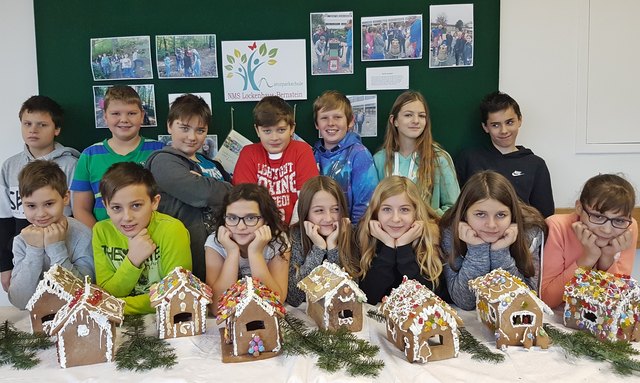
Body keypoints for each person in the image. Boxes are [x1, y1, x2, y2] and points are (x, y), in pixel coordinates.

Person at [146, 94, 232, 282]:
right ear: (169, 126)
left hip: (223, 254)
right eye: (184, 128)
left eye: (200, 130)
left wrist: (211, 185)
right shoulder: (162, 160)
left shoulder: (212, 164)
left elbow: (237, 196)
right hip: (189, 258)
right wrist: (214, 188)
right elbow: (203, 192)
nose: (192, 137)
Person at [0, 95, 80, 292]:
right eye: (27, 123)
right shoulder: (10, 166)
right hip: (24, 255)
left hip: (64, 250)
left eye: (42, 124)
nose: (33, 130)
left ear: (56, 129)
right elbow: (3, 218)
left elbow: (78, 213)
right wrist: (4, 266)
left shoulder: (71, 165)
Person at [93, 162, 192, 315]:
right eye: (116, 208)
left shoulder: (172, 230)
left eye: (136, 206)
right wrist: (133, 259)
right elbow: (107, 290)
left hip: (163, 318)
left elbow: (175, 294)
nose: (127, 217)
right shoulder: (101, 231)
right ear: (105, 206)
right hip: (114, 320)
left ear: (154, 202)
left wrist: (114, 305)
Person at [440, 171, 545, 310]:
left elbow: (523, 302)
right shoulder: (450, 230)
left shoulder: (530, 231)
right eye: (480, 214)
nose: (491, 225)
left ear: (512, 214)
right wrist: (477, 250)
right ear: (465, 214)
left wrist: (500, 252)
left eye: (501, 215)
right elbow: (465, 301)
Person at [71, 85, 163, 228]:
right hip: (106, 244)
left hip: (152, 238)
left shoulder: (160, 151)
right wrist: (101, 238)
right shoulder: (89, 155)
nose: (124, 119)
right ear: (105, 116)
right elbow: (80, 209)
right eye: (115, 114)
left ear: (142, 115)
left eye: (131, 113)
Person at [541, 174, 637, 308]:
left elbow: (617, 302)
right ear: (579, 208)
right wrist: (588, 258)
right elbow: (547, 300)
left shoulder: (628, 227)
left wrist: (607, 258)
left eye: (619, 220)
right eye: (597, 217)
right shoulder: (557, 226)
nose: (607, 230)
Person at [7, 160, 94, 309]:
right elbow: (19, 301)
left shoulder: (83, 235)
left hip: (77, 320)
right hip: (35, 322)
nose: (41, 214)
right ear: (22, 203)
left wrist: (56, 247)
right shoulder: (22, 240)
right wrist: (34, 249)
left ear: (65, 198)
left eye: (49, 204)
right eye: (31, 206)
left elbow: (83, 295)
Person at [455, 91, 555, 217]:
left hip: (520, 232)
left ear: (520, 120)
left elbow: (545, 215)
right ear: (485, 127)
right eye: (495, 125)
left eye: (509, 122)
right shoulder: (468, 159)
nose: (504, 130)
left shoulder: (536, 164)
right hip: (477, 232)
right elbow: (457, 207)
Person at [357, 176, 446, 304]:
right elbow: (368, 296)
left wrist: (403, 247)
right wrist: (388, 247)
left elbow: (430, 299)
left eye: (404, 210)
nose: (396, 219)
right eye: (387, 209)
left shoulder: (430, 240)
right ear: (376, 213)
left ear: (416, 212)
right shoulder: (366, 239)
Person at [233, 96, 318, 225]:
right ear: (257, 130)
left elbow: (306, 197)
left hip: (297, 230)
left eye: (281, 130)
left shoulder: (302, 150)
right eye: (267, 131)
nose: (274, 137)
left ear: (292, 128)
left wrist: (293, 234)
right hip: (258, 231)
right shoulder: (248, 153)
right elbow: (245, 201)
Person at [374, 90, 459, 216]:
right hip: (389, 231)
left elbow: (454, 207)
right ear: (394, 121)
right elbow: (374, 205)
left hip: (428, 232)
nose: (416, 121)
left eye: (422, 116)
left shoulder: (439, 159)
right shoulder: (380, 159)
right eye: (408, 115)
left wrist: (428, 221)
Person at [204, 183, 290, 309]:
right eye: (232, 218)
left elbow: (275, 302)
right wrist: (232, 252)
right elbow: (217, 307)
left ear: (265, 219)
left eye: (250, 218)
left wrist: (255, 253)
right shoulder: (216, 242)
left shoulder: (278, 241)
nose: (240, 227)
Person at [286, 176, 358, 307]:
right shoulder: (295, 236)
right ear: (305, 213)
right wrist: (318, 248)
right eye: (319, 211)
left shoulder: (351, 233)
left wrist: (333, 247)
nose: (328, 218)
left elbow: (349, 293)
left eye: (335, 209)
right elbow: (293, 298)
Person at [313, 90, 378, 225]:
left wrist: (352, 234)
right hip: (318, 232)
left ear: (350, 121)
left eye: (337, 117)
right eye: (324, 118)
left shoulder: (359, 154)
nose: (331, 123)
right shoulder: (312, 155)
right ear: (316, 124)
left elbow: (365, 203)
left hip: (349, 235)